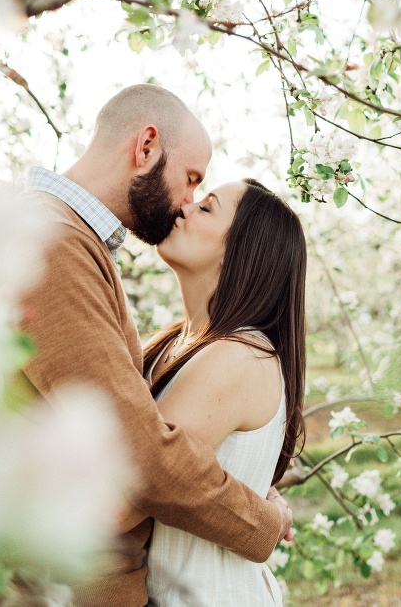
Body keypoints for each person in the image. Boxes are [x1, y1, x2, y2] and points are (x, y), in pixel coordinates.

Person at [16, 84, 294, 606]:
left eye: (205, 201)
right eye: (191, 181)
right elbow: (137, 457)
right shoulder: (53, 242)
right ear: (145, 148)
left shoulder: (68, 239)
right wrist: (260, 515)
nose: (187, 203)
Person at [120, 178, 307, 606]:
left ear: (243, 251)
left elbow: (127, 494)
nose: (183, 206)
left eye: (207, 208)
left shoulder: (238, 357)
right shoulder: (171, 343)